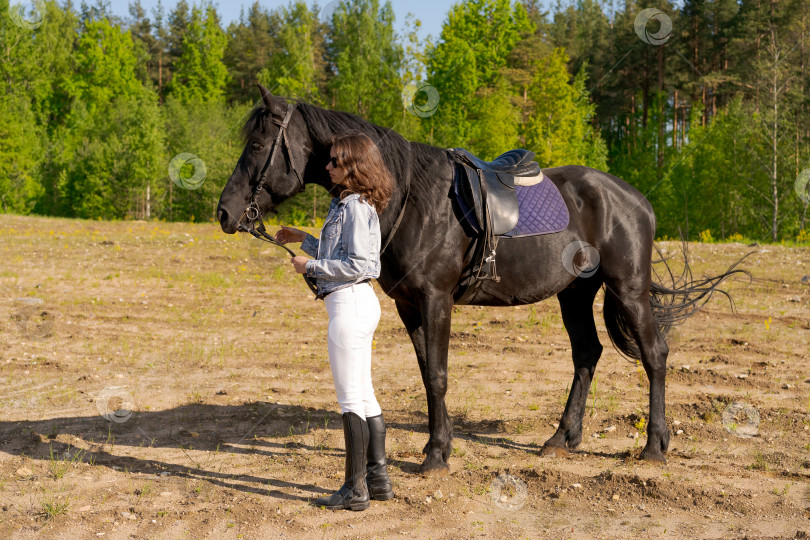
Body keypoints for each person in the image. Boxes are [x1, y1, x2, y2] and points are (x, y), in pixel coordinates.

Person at [274, 132, 395, 511]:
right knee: (365, 394)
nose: (327, 167)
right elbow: (340, 251)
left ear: (353, 167)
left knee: (349, 400)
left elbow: (362, 265)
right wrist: (304, 239)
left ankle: (354, 489)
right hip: (354, 304)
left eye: (334, 162)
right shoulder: (347, 204)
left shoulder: (357, 207)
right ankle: (377, 480)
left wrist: (309, 265)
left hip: (350, 306)